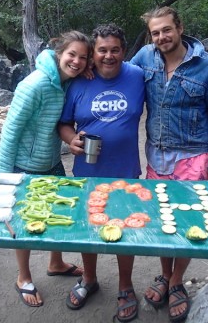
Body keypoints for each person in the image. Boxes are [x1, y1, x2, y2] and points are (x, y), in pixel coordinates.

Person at [130, 7, 208, 323]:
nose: (161, 37)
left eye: (166, 30)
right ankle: (164, 273)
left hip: (194, 157)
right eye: (155, 32)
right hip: (157, 156)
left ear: (180, 28)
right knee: (164, 222)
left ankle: (177, 281)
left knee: (189, 223)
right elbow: (117, 74)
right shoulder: (145, 58)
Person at [0, 30, 92, 308]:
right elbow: (10, 131)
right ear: (59, 53)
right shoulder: (34, 84)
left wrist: (87, 70)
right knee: (22, 222)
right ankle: (23, 277)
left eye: (82, 58)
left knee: (59, 211)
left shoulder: (66, 82)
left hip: (51, 162)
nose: (76, 61)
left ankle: (56, 263)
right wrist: (3, 178)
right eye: (71, 54)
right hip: (24, 165)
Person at [58, 23, 145, 322]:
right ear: (93, 53)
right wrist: (71, 140)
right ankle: (89, 279)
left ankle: (125, 286)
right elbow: (64, 122)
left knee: (126, 228)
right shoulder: (79, 82)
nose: (109, 56)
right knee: (89, 230)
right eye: (102, 50)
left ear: (124, 51)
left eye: (115, 50)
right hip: (88, 170)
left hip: (126, 170)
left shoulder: (137, 75)